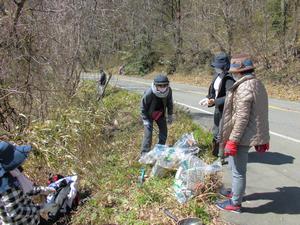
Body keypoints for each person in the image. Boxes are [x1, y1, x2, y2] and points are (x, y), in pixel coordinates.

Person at [215, 54, 270, 213]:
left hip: (242, 135)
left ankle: (235, 203)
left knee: (238, 171)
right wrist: (263, 136)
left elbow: (242, 117)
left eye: (233, 72)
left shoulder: (244, 87)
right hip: (250, 133)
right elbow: (261, 113)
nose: (232, 74)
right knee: (235, 167)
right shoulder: (258, 84)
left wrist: (233, 140)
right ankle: (235, 192)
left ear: (239, 72)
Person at [0, 141, 57, 225]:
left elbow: (24, 191)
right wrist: (40, 208)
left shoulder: (13, 174)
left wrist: (44, 190)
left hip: (32, 219)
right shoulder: (6, 185)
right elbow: (15, 213)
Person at [199, 52, 235, 162]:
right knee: (215, 131)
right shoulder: (217, 76)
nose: (216, 68)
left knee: (222, 133)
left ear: (224, 66)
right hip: (217, 109)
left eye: (218, 66)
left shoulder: (229, 79)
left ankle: (221, 157)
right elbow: (213, 91)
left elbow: (229, 97)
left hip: (226, 110)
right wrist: (208, 98)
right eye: (215, 66)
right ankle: (214, 154)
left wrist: (215, 101)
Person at [140, 74, 174, 156]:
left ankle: (160, 148)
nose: (162, 87)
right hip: (148, 115)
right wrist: (145, 120)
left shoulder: (169, 91)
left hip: (160, 113)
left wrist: (170, 115)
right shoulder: (149, 92)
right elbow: (143, 106)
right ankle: (144, 153)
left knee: (164, 131)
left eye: (165, 85)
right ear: (155, 85)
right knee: (148, 134)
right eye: (160, 85)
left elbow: (170, 103)